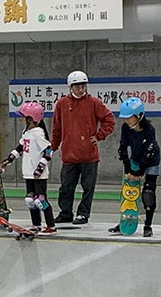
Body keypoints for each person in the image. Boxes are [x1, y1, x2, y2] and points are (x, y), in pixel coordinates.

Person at [51, 70, 115, 225]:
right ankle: (65, 213)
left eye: (83, 85)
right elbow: (57, 128)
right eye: (77, 86)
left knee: (88, 187)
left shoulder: (94, 103)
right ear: (70, 87)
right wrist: (52, 147)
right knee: (66, 187)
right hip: (69, 155)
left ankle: (83, 214)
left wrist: (99, 136)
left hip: (89, 155)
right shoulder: (61, 104)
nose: (80, 88)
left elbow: (109, 120)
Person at [108, 97, 161, 237]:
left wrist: (139, 171)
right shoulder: (126, 128)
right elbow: (123, 148)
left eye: (129, 118)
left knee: (148, 193)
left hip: (151, 161)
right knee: (129, 194)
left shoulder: (149, 130)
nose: (126, 121)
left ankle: (148, 226)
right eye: (124, 118)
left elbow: (150, 152)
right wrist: (129, 169)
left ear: (139, 115)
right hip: (135, 160)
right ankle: (124, 222)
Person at [0, 102, 56, 234]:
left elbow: (49, 150)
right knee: (30, 200)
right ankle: (36, 224)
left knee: (40, 200)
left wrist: (40, 167)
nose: (21, 119)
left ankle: (51, 226)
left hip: (38, 174)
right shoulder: (27, 132)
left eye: (23, 117)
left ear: (31, 118)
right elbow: (20, 148)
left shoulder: (38, 133)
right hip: (28, 172)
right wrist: (8, 160)